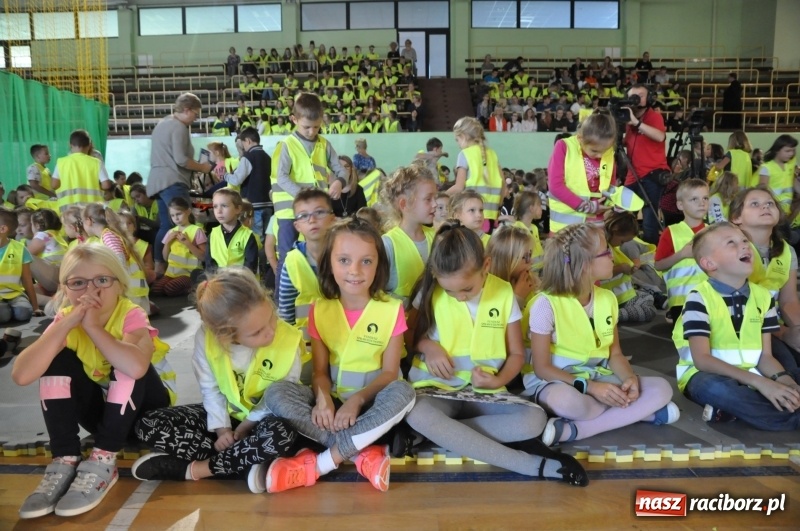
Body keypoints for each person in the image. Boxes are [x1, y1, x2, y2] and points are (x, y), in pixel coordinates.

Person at [404, 222, 588, 486]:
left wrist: (498, 381)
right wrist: (428, 347)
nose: (459, 297)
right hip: (436, 389)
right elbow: (410, 338)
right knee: (417, 413)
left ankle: (442, 433)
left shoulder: (503, 293)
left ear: (487, 266)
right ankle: (530, 464)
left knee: (534, 420)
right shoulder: (428, 288)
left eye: (466, 289)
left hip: (485, 395)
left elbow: (515, 355)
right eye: (449, 291)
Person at [12, 244, 173, 519]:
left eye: (102, 280)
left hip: (148, 415)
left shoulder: (130, 313)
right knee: (55, 356)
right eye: (78, 283)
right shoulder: (67, 317)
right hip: (104, 417)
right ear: (65, 289)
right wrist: (64, 325)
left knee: (127, 363)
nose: (91, 291)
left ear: (119, 284)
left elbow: (136, 367)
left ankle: (104, 460)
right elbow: (22, 375)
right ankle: (64, 459)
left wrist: (94, 327)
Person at [264, 218, 416, 493]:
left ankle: (319, 464)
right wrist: (324, 401)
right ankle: (361, 453)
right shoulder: (319, 309)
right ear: (329, 263)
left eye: (366, 262)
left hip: (371, 407)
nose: (354, 271)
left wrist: (356, 402)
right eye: (344, 260)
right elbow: (320, 372)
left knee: (404, 392)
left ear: (379, 265)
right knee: (276, 393)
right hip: (333, 407)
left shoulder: (393, 309)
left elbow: (390, 373)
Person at [132, 268, 302, 490]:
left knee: (281, 435)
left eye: (271, 318)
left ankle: (199, 469)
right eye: (257, 332)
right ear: (226, 336)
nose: (271, 331)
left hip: (263, 419)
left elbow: (280, 399)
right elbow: (210, 389)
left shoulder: (288, 339)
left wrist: (244, 429)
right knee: (148, 424)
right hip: (224, 417)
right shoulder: (207, 337)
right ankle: (246, 460)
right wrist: (222, 430)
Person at [525, 223, 677, 445]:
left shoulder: (607, 299)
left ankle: (572, 430)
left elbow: (615, 354)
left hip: (597, 375)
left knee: (663, 389)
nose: (613, 257)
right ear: (585, 264)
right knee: (570, 403)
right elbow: (542, 368)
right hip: (555, 382)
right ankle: (644, 413)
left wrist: (629, 379)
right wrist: (592, 388)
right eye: (606, 252)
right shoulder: (544, 305)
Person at [673, 222, 800, 429]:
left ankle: (741, 409)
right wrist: (763, 383)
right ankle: (783, 414)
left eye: (743, 240)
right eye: (731, 243)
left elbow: (765, 357)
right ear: (710, 263)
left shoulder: (763, 297)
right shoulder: (699, 298)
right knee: (718, 390)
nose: (744, 246)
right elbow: (702, 360)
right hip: (705, 375)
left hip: (752, 374)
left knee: (791, 382)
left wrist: (785, 381)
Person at [271, 93, 347, 300]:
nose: (312, 131)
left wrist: (339, 181)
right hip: (289, 212)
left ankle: (321, 297)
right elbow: (281, 178)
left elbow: (341, 171)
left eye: (316, 126)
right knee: (287, 257)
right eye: (307, 127)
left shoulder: (324, 144)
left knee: (320, 252)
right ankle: (282, 303)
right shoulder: (286, 145)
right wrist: (305, 198)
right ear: (294, 120)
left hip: (316, 212)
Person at [730, 187, 800, 370]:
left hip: (771, 325)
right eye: (755, 204)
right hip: (740, 328)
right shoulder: (731, 249)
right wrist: (785, 333)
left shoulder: (787, 251)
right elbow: (742, 311)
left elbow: (789, 301)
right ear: (736, 218)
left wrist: (797, 331)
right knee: (789, 369)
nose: (765, 207)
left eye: (770, 203)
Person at [147, 93, 213, 277]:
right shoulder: (179, 127)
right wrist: (204, 167)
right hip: (173, 180)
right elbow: (182, 160)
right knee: (184, 223)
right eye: (196, 114)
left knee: (166, 225)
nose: (196, 118)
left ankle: (160, 267)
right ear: (187, 110)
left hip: (158, 182)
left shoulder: (163, 123)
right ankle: (186, 267)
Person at [547, 110, 641, 233]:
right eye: (594, 151)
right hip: (564, 228)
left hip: (595, 225)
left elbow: (608, 187)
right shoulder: (563, 146)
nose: (600, 155)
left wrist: (614, 202)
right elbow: (555, 186)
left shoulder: (608, 153)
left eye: (605, 150)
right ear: (580, 138)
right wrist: (588, 207)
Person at [278, 189, 335, 341]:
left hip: (343, 342)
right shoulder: (292, 262)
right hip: (307, 345)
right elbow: (286, 311)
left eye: (319, 212)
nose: (312, 220)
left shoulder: (346, 256)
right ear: (297, 226)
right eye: (304, 215)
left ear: (333, 219)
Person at [82, 203, 153, 316]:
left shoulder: (108, 236)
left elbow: (119, 259)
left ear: (89, 220)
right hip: (135, 292)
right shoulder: (110, 234)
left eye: (82, 223)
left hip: (129, 293)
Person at [654, 179, 710, 323]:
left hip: (711, 296)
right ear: (680, 205)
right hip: (681, 300)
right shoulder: (671, 232)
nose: (701, 203)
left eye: (705, 198)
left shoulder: (713, 231)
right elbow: (659, 265)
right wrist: (682, 255)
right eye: (694, 199)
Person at [380, 165, 437, 302]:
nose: (435, 204)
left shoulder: (436, 236)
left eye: (435, 198)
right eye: (428, 199)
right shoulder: (388, 244)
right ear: (404, 204)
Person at [622, 84, 670, 244]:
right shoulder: (626, 119)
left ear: (649, 98)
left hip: (652, 175)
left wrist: (636, 122)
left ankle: (651, 258)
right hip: (632, 176)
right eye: (632, 96)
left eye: (640, 95)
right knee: (623, 219)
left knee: (649, 221)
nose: (635, 99)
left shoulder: (654, 116)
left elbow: (660, 136)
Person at [447, 117, 506, 227]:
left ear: (463, 136)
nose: (458, 144)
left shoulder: (465, 154)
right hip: (491, 217)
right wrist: (498, 208)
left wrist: (441, 196)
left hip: (472, 216)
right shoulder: (492, 154)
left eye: (457, 139)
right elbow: (503, 185)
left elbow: (459, 187)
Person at [600, 212, 657, 322]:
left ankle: (612, 315)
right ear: (615, 230)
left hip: (620, 296)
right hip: (613, 299)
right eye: (622, 241)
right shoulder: (602, 247)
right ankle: (612, 316)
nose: (620, 245)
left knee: (648, 298)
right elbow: (598, 274)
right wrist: (621, 268)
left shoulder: (608, 245)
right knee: (649, 310)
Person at [221, 127, 271, 244]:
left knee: (256, 238)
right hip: (269, 204)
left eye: (243, 143)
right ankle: (267, 261)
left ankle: (258, 262)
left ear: (248, 141)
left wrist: (226, 176)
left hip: (253, 205)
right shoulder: (268, 157)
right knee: (268, 238)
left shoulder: (248, 158)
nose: (243, 146)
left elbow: (236, 180)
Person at [151, 198, 206, 297]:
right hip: (172, 272)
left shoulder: (197, 230)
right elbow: (165, 258)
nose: (176, 218)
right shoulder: (171, 232)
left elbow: (203, 257)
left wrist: (188, 243)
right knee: (156, 289)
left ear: (188, 211)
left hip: (189, 273)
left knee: (169, 289)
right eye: (172, 215)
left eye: (179, 214)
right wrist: (167, 242)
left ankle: (193, 286)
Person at [53, 130, 112, 213]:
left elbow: (54, 185)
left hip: (68, 209)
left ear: (70, 144)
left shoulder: (61, 162)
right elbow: (106, 185)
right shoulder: (96, 162)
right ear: (89, 144)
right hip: (92, 209)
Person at [204, 189, 258, 277]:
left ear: (238, 209)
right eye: (215, 206)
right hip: (218, 282)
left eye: (224, 206)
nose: (219, 211)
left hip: (240, 283)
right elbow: (209, 264)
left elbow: (250, 267)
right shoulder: (213, 234)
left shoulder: (247, 235)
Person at [0, 210, 40, 323]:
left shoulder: (20, 249)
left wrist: (35, 307)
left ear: (2, 229)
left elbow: (27, 280)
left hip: (15, 294)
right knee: (3, 315)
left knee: (24, 313)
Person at [758, 134, 797, 214]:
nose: (791, 154)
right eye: (787, 151)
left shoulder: (790, 165)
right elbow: (762, 190)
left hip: (787, 211)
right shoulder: (767, 167)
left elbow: (793, 184)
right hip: (774, 210)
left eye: (792, 150)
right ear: (777, 150)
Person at [510, 191, 544, 273]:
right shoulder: (518, 229)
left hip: (539, 268)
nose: (541, 208)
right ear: (531, 208)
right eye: (539, 205)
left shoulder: (534, 227)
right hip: (529, 271)